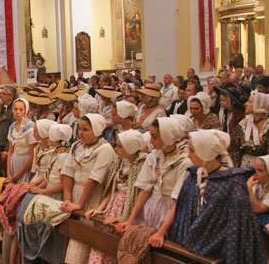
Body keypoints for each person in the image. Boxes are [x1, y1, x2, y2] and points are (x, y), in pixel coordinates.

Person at [168, 130, 267, 263]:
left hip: (217, 252)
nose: (189, 155)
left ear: (206, 152)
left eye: (192, 151)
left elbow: (235, 231)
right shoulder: (193, 177)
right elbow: (182, 212)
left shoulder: (233, 185)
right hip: (187, 246)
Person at [116, 118, 192, 233]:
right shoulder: (153, 157)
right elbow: (145, 191)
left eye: (154, 137)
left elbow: (178, 201)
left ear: (167, 137)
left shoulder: (184, 162)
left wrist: (162, 231)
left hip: (168, 213)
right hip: (150, 209)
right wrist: (130, 220)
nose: (151, 141)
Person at [85, 129, 148, 264]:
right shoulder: (120, 162)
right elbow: (111, 190)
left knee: (116, 248)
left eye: (119, 146)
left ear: (130, 148)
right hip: (113, 205)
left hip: (128, 208)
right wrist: (99, 209)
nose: (116, 148)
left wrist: (122, 218)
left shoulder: (142, 165)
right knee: (100, 245)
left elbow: (139, 196)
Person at [60, 113, 115, 264]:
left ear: (96, 131)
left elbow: (94, 179)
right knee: (70, 240)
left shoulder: (105, 149)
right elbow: (67, 172)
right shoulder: (76, 145)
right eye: (80, 129)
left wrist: (79, 204)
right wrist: (67, 198)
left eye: (85, 130)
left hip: (91, 198)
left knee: (82, 245)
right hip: (74, 193)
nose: (80, 133)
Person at [230, 92, 269, 167]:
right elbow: (235, 150)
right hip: (242, 169)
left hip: (262, 169)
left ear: (259, 105)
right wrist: (236, 170)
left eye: (250, 102)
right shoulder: (244, 123)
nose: (245, 104)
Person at [28, 123, 70, 200]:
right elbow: (48, 177)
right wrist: (35, 188)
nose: (48, 138)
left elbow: (63, 184)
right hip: (48, 188)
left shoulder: (63, 157)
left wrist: (42, 191)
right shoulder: (55, 153)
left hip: (55, 193)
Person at [7, 98, 37, 184]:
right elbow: (10, 151)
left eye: (21, 109)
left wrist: (18, 175)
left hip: (25, 164)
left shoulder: (30, 128)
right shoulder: (12, 127)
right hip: (14, 163)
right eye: (15, 109)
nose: (17, 112)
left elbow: (32, 155)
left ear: (25, 111)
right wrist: (8, 172)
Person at [0, 85, 16, 158]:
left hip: (7, 147)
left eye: (3, 94)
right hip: (1, 145)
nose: (1, 95)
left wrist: (8, 149)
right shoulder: (4, 107)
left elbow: (13, 131)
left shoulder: (14, 109)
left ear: (11, 96)